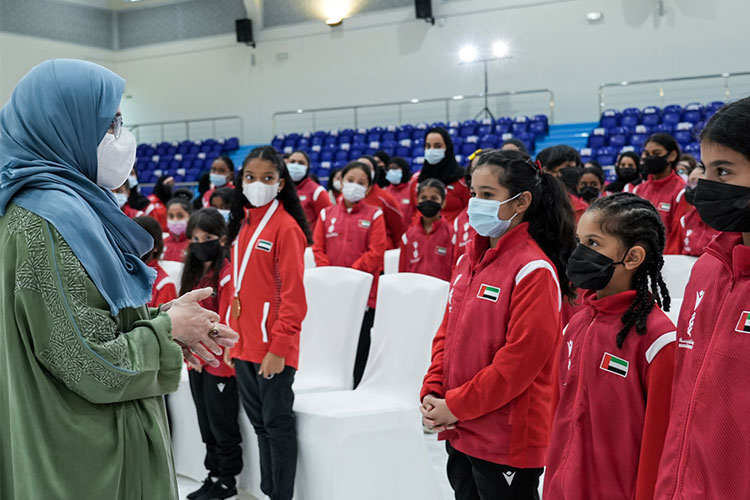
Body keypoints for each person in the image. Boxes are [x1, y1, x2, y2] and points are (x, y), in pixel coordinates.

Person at [0, 58, 238, 500]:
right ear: (64, 125)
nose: (120, 139)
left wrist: (165, 317)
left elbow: (83, 314)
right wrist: (167, 331)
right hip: (84, 460)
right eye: (109, 125)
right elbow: (91, 363)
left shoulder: (56, 207)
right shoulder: (49, 222)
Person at [420, 149, 576, 499]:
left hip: (505, 436)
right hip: (462, 424)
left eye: (488, 195)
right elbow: (447, 333)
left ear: (521, 202)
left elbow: (518, 364)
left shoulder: (533, 270)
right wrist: (433, 389)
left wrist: (454, 405)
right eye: (474, 193)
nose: (476, 203)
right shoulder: (467, 261)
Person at [544, 193, 676, 500]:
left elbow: (661, 442)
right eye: (579, 241)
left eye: (593, 243)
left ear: (632, 257)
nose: (578, 253)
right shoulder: (575, 324)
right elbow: (558, 415)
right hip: (562, 487)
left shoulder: (658, 340)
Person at [655, 97, 750, 500]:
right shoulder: (708, 268)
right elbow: (686, 396)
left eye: (724, 171)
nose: (706, 185)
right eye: (705, 170)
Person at [226, 146, 310, 500]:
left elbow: (293, 298)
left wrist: (279, 347)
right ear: (240, 181)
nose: (257, 184)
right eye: (250, 177)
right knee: (260, 426)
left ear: (280, 184)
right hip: (245, 345)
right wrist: (232, 340)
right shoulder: (245, 223)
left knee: (276, 427)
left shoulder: (286, 228)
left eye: (267, 178)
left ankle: (282, 496)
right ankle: (268, 492)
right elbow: (237, 286)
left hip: (272, 348)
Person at [180, 208, 243, 500]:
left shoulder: (226, 272)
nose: (199, 243)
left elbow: (226, 316)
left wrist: (206, 350)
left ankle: (227, 479)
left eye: (206, 237)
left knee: (221, 423)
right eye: (194, 238)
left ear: (221, 239)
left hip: (218, 361)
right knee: (205, 423)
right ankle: (212, 473)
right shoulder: (193, 272)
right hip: (197, 362)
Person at [313, 161, 388, 388]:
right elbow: (318, 249)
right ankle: (331, 384)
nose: (354, 185)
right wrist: (334, 277)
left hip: (364, 294)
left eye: (361, 183)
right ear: (341, 181)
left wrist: (350, 277)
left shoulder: (375, 215)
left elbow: (375, 253)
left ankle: (356, 387)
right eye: (350, 180)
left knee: (360, 343)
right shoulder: (326, 215)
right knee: (332, 342)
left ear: (368, 188)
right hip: (332, 292)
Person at [626, 133, 685, 240]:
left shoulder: (681, 192)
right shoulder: (638, 190)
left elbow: (677, 236)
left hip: (668, 255)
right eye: (647, 154)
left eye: (656, 153)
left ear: (672, 155)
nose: (651, 158)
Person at [409, 127, 470, 223]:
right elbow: (412, 213)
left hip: (452, 236)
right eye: (428, 146)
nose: (431, 150)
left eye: (437, 146)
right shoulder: (416, 180)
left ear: (448, 148)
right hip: (419, 236)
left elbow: (469, 215)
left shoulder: (462, 180)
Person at [398, 178, 453, 282]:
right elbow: (402, 272)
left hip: (441, 294)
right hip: (413, 292)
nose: (428, 201)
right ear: (417, 200)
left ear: (443, 202)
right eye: (423, 198)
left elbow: (456, 270)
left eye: (434, 198)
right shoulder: (408, 236)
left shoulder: (452, 234)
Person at [665, 165, 720, 256]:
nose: (692, 188)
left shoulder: (727, 222)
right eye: (690, 183)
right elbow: (675, 252)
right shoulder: (686, 219)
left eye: (696, 182)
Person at [357, 155, 405, 249]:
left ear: (374, 171)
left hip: (383, 252)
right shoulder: (346, 198)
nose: (363, 170)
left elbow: (399, 230)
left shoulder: (386, 198)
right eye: (359, 166)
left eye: (367, 167)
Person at [537, 145, 588, 222]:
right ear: (547, 171)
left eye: (575, 166)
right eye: (568, 165)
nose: (573, 171)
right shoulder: (532, 205)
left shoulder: (581, 208)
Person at [134, 216, 177, 308]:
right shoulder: (121, 274)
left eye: (141, 240)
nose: (134, 245)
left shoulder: (164, 283)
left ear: (156, 246)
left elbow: (164, 319)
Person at [286, 150, 331, 233]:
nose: (296, 165)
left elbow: (327, 221)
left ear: (308, 167)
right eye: (292, 162)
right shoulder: (280, 189)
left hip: (308, 243)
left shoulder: (318, 191)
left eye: (301, 163)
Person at [385, 156, 413, 226]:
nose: (391, 171)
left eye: (394, 168)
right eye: (389, 169)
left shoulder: (413, 189)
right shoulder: (386, 192)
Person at [163, 196, 192, 262]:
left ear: (190, 216)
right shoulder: (162, 244)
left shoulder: (194, 244)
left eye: (180, 216)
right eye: (171, 216)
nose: (175, 220)